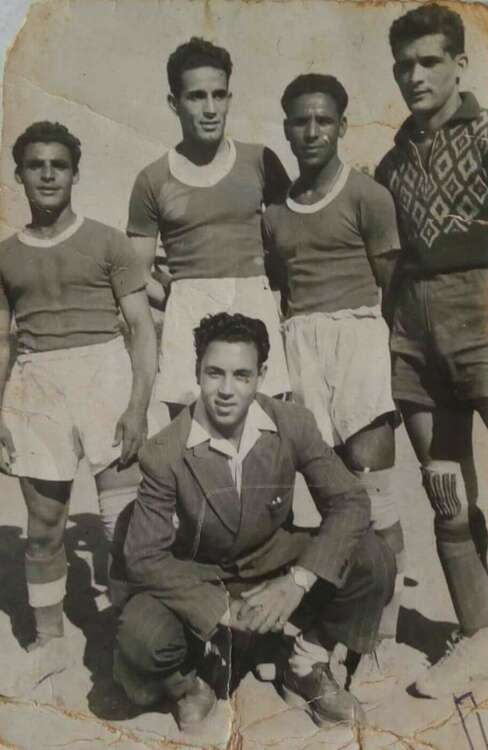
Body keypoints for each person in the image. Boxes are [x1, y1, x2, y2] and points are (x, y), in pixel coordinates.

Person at [114, 312, 396, 733]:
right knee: (140, 639)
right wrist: (220, 609)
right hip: (204, 575)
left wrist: (297, 580)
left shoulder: (292, 422)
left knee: (372, 557)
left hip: (275, 563)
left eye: (241, 375)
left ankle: (305, 664)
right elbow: (143, 556)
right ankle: (190, 686)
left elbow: (350, 501)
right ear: (197, 372)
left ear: (262, 375)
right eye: (214, 373)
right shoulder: (164, 451)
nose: (226, 390)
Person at [0, 121, 157, 695]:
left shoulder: (108, 242)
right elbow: (2, 343)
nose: (47, 175)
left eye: (58, 165)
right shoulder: (5, 255)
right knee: (44, 528)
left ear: (74, 174)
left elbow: (141, 329)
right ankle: (49, 642)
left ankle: (130, 640)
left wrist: (137, 405)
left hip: (105, 375)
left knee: (125, 524)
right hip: (37, 385)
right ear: (19, 174)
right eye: (35, 165)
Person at [262, 74, 405, 673]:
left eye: (324, 120)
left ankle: (382, 636)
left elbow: (393, 286)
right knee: (331, 498)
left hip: (359, 338)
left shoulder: (368, 196)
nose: (312, 131)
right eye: (301, 121)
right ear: (287, 129)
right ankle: (343, 613)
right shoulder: (275, 214)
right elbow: (280, 285)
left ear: (343, 125)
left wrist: (378, 358)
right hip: (302, 344)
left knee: (375, 494)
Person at [375, 4, 488, 698]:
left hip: (485, 328)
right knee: (447, 498)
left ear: (460, 64)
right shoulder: (390, 163)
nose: (415, 76)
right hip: (417, 345)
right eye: (404, 65)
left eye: (429, 61)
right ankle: (482, 637)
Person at [127, 37, 290, 418]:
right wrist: (181, 298)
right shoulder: (153, 179)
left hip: (255, 308)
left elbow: (292, 242)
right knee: (194, 442)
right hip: (189, 319)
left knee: (265, 437)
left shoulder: (260, 161)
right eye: (197, 97)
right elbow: (135, 274)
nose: (211, 109)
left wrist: (270, 295)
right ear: (174, 103)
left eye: (219, 95)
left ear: (230, 98)